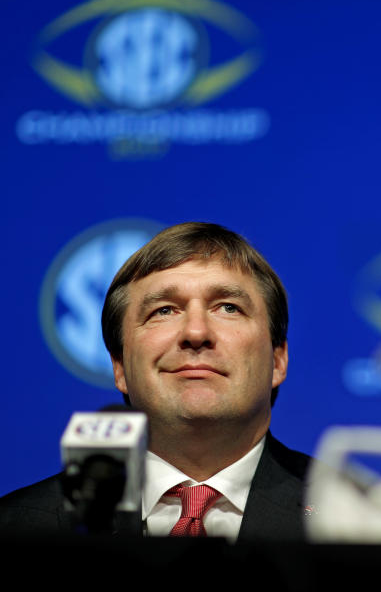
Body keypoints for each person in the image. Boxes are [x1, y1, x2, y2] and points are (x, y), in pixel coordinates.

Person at [0, 222, 310, 541]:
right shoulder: (19, 528)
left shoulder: (353, 517)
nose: (196, 333)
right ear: (119, 366)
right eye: (164, 310)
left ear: (278, 360)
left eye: (228, 307)